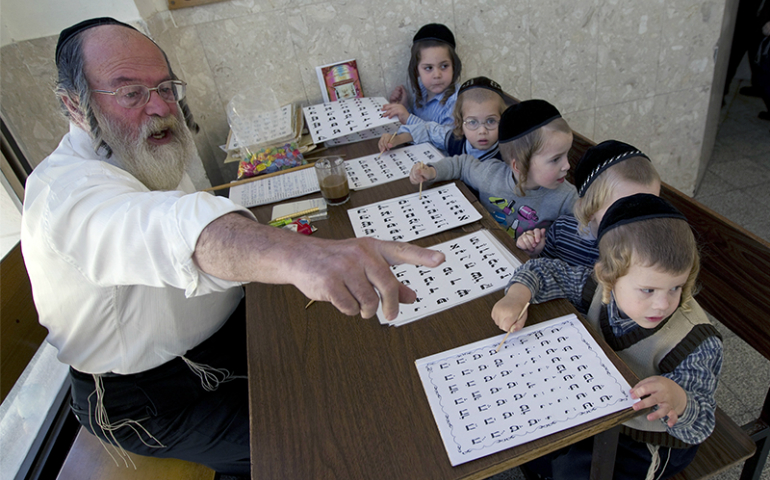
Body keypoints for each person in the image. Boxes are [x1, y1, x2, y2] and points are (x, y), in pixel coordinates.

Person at [19, 17, 445, 477]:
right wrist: (302, 255)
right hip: (150, 396)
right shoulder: (65, 194)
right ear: (73, 105)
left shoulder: (138, 145)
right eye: (130, 93)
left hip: (226, 336)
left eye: (165, 87)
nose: (160, 107)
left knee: (358, 356)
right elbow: (171, 229)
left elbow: (197, 216)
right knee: (320, 446)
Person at [491, 194, 723, 480]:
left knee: (575, 471)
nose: (663, 304)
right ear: (609, 277)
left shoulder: (696, 340)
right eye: (648, 290)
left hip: (648, 440)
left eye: (676, 288)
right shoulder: (599, 287)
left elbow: (701, 424)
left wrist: (678, 400)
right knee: (535, 441)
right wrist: (517, 295)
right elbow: (544, 270)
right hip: (598, 409)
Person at [408, 99, 578, 240]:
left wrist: (541, 247)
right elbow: (461, 165)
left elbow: (584, 232)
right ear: (519, 166)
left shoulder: (567, 197)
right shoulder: (489, 175)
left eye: (566, 155)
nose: (567, 166)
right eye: (556, 159)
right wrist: (431, 171)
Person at [517, 140, 661, 266]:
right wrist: (534, 253)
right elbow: (542, 268)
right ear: (590, 209)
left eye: (649, 206)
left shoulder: (643, 252)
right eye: (623, 209)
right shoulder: (562, 229)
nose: (640, 219)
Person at [378, 76, 507, 162]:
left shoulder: (507, 155)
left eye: (491, 121)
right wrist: (398, 139)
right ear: (459, 124)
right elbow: (428, 130)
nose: (482, 131)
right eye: (472, 122)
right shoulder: (455, 140)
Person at [379, 23, 462, 147]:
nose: (437, 75)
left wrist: (407, 117)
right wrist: (405, 107)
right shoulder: (422, 89)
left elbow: (448, 140)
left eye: (444, 66)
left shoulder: (456, 100)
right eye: (428, 68)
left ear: (454, 66)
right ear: (417, 70)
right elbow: (420, 128)